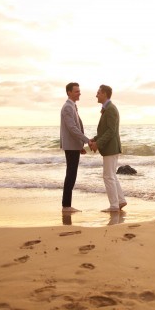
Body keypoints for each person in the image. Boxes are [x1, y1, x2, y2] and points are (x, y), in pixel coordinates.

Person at [90, 84, 127, 212]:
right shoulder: (108, 108)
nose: (96, 95)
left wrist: (98, 144)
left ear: (105, 94)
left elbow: (111, 131)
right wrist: (94, 140)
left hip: (111, 148)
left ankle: (114, 206)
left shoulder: (111, 109)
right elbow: (105, 131)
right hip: (111, 147)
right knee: (112, 175)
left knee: (108, 176)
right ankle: (120, 201)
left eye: (98, 93)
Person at [60, 82, 91, 213]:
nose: (79, 93)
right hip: (70, 146)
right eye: (76, 91)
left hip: (74, 146)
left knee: (72, 174)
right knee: (71, 175)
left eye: (79, 91)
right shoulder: (68, 107)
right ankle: (66, 206)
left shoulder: (73, 106)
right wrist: (87, 140)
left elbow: (77, 127)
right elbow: (72, 128)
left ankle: (67, 205)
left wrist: (80, 145)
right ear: (69, 92)